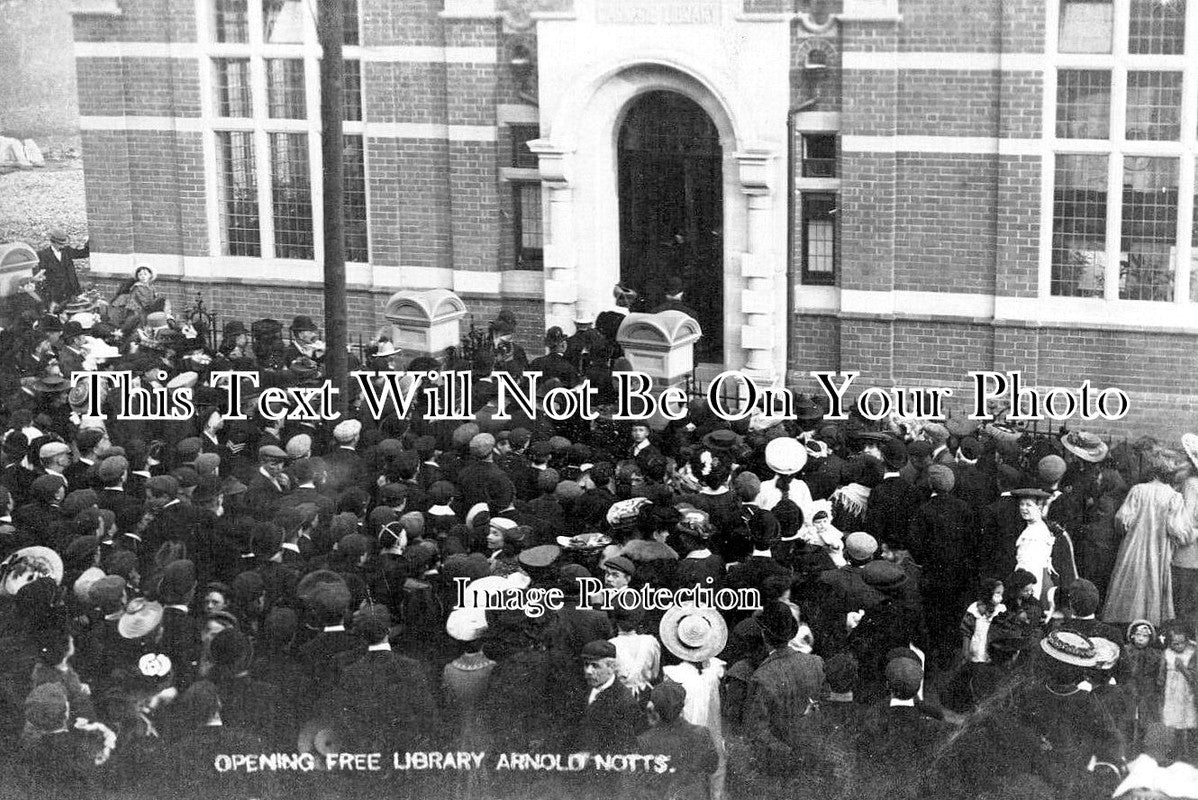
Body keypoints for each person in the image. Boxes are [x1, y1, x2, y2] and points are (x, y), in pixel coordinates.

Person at [1103, 451, 1187, 626]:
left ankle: (1123, 624)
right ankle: (1147, 628)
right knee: (1152, 586)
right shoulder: (1174, 497)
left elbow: (1122, 520)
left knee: (1129, 584)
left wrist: (1130, 533)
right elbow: (1177, 530)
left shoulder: (1138, 490)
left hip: (1133, 547)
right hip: (1158, 550)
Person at [661, 603, 728, 799]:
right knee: (715, 767)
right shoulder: (715, 670)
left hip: (685, 732)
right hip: (711, 732)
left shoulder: (674, 675)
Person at [1159, 617, 1197, 759]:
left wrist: (1182, 668)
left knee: (1189, 718)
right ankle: (1177, 749)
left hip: (1187, 691)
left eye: (1183, 643)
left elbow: (1193, 677)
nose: (1179, 646)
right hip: (1173, 692)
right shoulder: (1167, 653)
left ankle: (1192, 750)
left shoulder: (1192, 652)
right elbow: (1162, 670)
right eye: (1175, 643)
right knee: (1175, 720)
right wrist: (1161, 679)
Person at [35, 229, 88, 309]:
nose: (63, 246)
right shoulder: (42, 255)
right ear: (53, 242)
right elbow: (41, 277)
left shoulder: (67, 251)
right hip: (56, 296)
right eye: (60, 244)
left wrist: (90, 241)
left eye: (64, 244)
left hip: (72, 293)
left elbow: (83, 253)